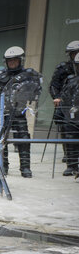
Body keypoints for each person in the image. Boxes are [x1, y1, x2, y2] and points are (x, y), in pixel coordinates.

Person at [0, 46, 38, 178]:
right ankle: (3, 166)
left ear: (20, 61)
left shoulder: (28, 76)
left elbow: (36, 90)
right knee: (1, 140)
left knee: (23, 139)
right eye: (10, 61)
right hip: (1, 114)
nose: (12, 63)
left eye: (15, 60)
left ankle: (25, 168)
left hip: (19, 113)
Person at [49, 40, 79, 176]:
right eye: (74, 53)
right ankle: (69, 156)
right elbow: (54, 85)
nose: (76, 55)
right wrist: (57, 97)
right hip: (66, 102)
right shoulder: (63, 68)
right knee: (65, 127)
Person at [59, 52, 79, 176]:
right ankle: (71, 165)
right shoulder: (71, 80)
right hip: (73, 115)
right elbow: (65, 97)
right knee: (70, 137)